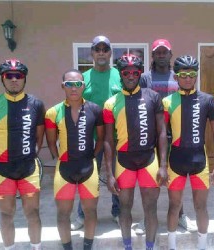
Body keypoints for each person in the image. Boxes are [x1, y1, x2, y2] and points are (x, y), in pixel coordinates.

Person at [103, 54, 168, 250]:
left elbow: (162, 132)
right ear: (120, 74)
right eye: (126, 72)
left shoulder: (153, 96)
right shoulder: (111, 103)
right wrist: (109, 173)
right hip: (124, 162)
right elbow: (107, 140)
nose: (131, 76)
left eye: (135, 72)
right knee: (124, 208)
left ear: (140, 73)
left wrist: (163, 165)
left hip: (149, 160)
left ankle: (150, 246)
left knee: (150, 208)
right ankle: (127, 246)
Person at [0, 59, 45, 250]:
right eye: (9, 76)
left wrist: (30, 154)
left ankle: (37, 247)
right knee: (6, 214)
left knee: (33, 213)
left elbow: (39, 137)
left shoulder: (36, 104)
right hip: (2, 170)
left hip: (29, 169)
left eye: (19, 76)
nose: (14, 80)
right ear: (3, 78)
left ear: (24, 79)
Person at [136, 38, 197, 235]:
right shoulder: (145, 78)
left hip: (176, 133)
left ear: (170, 54)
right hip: (152, 134)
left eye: (165, 52)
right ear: (153, 56)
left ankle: (180, 215)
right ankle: (148, 219)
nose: (161, 55)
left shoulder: (178, 75)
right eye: (158, 52)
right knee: (150, 180)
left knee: (177, 178)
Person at [163, 55, 214, 250]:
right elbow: (161, 136)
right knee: (174, 206)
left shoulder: (207, 100)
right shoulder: (166, 102)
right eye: (183, 75)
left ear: (196, 75)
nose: (188, 78)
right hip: (176, 161)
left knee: (201, 207)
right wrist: (161, 165)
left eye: (192, 74)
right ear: (176, 77)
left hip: (200, 161)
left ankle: (202, 246)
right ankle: (172, 246)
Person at [45, 69, 103, 250]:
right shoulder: (53, 112)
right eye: (69, 84)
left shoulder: (95, 109)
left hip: (89, 168)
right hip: (64, 169)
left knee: (90, 211)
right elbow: (51, 142)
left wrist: (92, 156)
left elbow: (101, 139)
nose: (74, 88)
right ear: (63, 86)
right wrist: (60, 158)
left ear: (84, 86)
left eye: (78, 84)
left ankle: (87, 247)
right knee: (63, 213)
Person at [71, 35, 122, 231]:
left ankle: (117, 212)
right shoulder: (83, 78)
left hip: (118, 137)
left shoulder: (120, 75)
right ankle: (82, 215)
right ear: (91, 53)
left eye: (105, 49)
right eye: (97, 49)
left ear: (110, 53)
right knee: (87, 176)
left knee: (118, 175)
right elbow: (75, 105)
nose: (101, 52)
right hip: (90, 138)